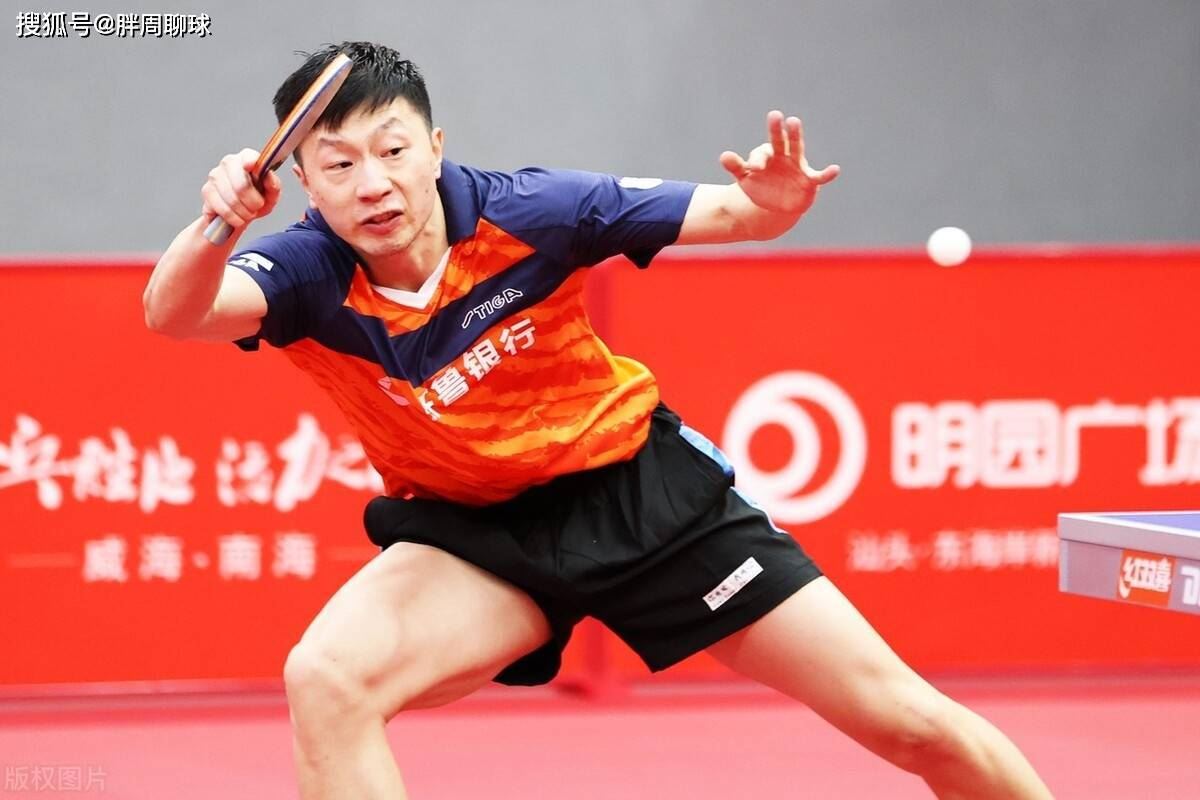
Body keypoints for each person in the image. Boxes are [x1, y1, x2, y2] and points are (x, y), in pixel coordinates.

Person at [144, 41, 1053, 800]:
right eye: (339, 165)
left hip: (644, 499)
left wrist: (770, 205)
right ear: (303, 181)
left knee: (913, 724)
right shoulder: (305, 271)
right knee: (326, 679)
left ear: (435, 148)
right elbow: (175, 314)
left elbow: (734, 211)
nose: (372, 184)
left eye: (392, 150)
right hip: (479, 537)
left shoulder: (531, 210)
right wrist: (218, 225)